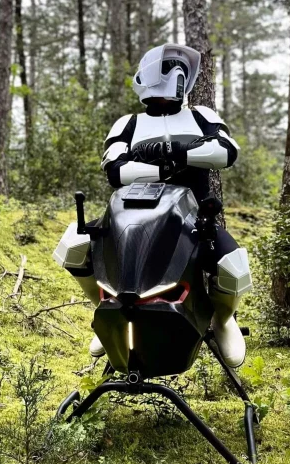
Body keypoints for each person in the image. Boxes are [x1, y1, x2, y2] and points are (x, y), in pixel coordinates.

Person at [53, 43, 252, 367]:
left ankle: (223, 318)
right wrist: (163, 166)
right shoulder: (128, 124)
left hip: (192, 218)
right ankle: (106, 310)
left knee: (232, 263)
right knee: (73, 245)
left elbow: (226, 150)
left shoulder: (201, 116)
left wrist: (175, 150)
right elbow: (116, 170)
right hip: (130, 216)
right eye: (169, 66)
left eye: (180, 68)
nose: (175, 74)